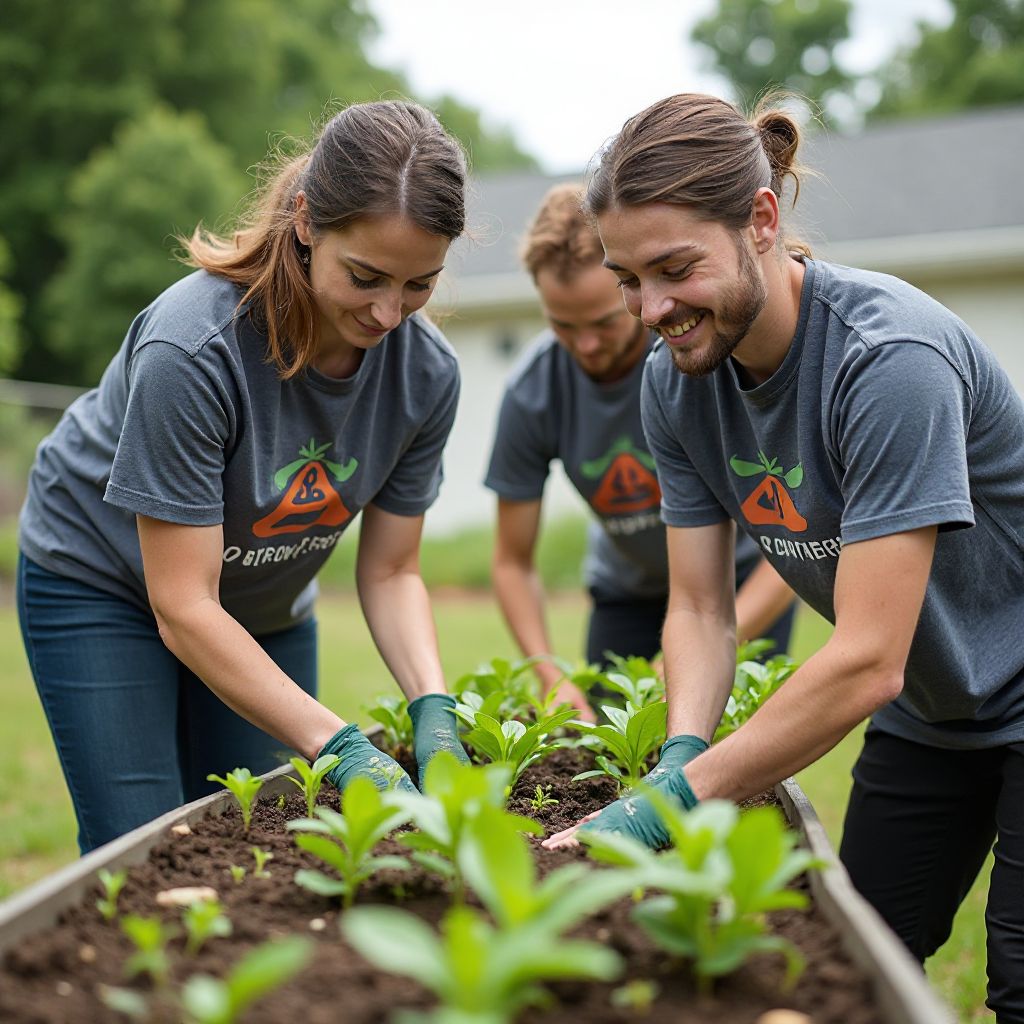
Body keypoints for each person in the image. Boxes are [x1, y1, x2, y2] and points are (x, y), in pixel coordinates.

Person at [543, 93, 1024, 1021]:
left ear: (761, 221)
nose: (653, 309)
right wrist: (682, 755)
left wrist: (668, 808)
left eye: (676, 268)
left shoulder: (888, 360)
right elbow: (699, 607)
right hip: (937, 710)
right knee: (853, 957)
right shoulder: (674, 385)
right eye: (628, 278)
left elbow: (868, 658)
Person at [17, 100, 471, 855]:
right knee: (145, 847)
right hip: (103, 583)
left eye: (419, 284)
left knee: (263, 841)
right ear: (306, 221)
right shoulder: (194, 350)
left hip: (262, 602)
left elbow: (392, 571)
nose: (390, 314)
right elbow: (183, 604)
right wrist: (341, 745)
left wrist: (434, 709)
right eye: (365, 277)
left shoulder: (426, 376)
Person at [484, 184, 795, 718]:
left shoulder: (701, 352)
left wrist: (702, 645)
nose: (585, 345)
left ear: (633, 287)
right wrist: (550, 675)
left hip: (743, 580)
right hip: (626, 592)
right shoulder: (533, 392)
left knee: (735, 747)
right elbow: (513, 561)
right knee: (614, 746)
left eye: (604, 322)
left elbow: (795, 528)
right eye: (563, 325)